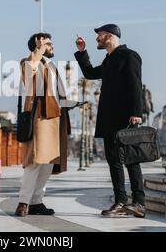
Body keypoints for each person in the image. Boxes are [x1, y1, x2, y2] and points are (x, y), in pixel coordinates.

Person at [74, 24, 146, 218]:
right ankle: (121, 201)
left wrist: (137, 112)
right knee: (113, 161)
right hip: (108, 119)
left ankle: (139, 203)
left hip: (127, 118)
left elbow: (135, 85)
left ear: (109, 36)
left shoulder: (129, 56)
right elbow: (89, 73)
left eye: (99, 36)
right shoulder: (109, 60)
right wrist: (82, 52)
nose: (97, 39)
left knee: (131, 160)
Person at [15, 33, 71, 217]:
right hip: (39, 115)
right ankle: (24, 202)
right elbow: (30, 78)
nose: (52, 46)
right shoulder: (28, 62)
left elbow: (59, 92)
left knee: (49, 162)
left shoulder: (52, 65)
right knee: (35, 160)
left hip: (56, 116)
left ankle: (36, 201)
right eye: (48, 43)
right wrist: (38, 51)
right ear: (38, 45)